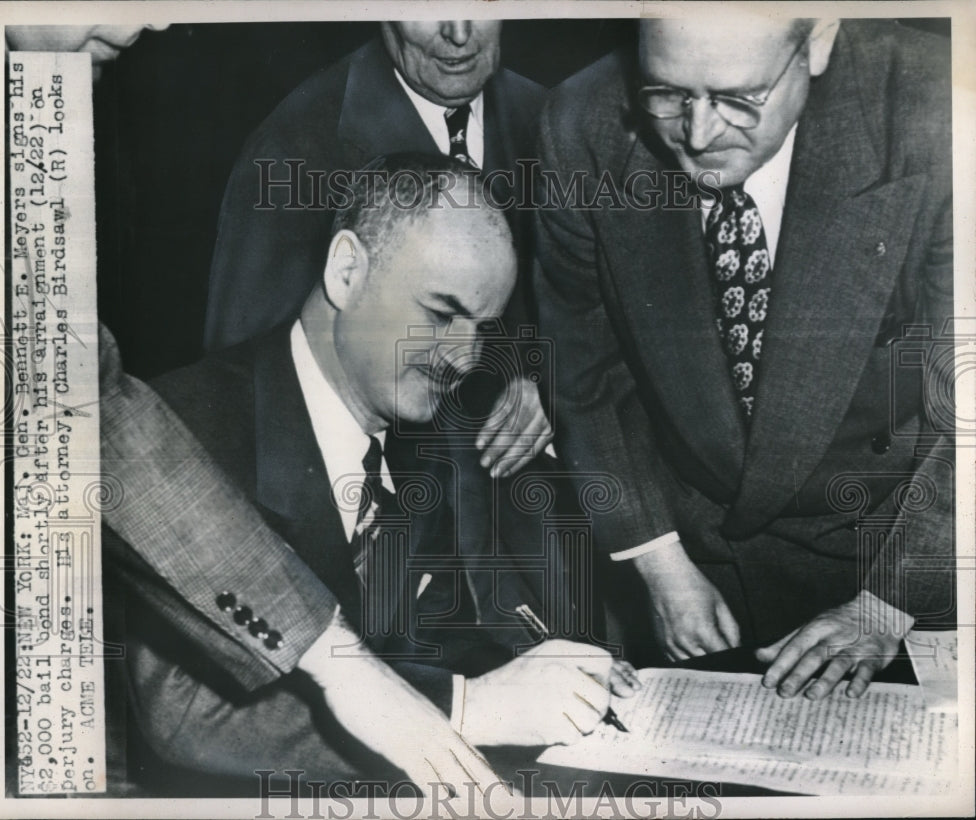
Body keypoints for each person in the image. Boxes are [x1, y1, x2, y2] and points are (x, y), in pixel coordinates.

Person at [107, 155, 636, 787]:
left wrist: (554, 664)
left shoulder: (433, 424)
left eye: (482, 328)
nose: (465, 357)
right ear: (347, 270)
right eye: (441, 314)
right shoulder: (178, 431)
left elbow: (436, 634)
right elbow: (192, 718)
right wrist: (472, 709)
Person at [534, 15, 954, 700]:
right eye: (666, 93)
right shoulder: (581, 125)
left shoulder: (936, 105)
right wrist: (657, 559)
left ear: (816, 42)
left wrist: (886, 603)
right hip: (699, 550)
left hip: (901, 542)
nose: (698, 137)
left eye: (738, 99)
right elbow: (583, 370)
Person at [205, 21, 551, 479]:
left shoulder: (555, 118)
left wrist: (554, 387)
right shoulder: (292, 148)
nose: (460, 33)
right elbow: (244, 402)